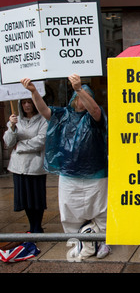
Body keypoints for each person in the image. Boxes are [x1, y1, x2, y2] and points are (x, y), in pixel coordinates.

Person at [21, 74, 110, 259]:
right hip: (69, 174)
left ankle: (102, 240)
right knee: (70, 209)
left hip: (96, 173)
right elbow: (44, 111)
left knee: (101, 209)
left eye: (86, 97)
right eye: (78, 97)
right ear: (72, 100)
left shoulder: (96, 116)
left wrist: (79, 88)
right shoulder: (63, 115)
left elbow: (95, 110)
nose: (81, 102)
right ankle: (78, 239)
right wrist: (34, 92)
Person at [3, 99, 48, 233]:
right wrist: (11, 127)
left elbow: (41, 141)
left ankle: (37, 226)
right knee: (26, 199)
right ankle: (31, 225)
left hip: (35, 166)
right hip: (19, 167)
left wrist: (20, 146)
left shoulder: (43, 120)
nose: (27, 105)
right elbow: (9, 142)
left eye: (29, 102)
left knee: (36, 198)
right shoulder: (16, 121)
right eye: (24, 103)